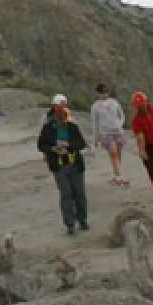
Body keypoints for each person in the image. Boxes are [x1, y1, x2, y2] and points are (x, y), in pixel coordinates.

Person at [37, 94, 90, 235]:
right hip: (59, 166)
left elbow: (81, 143)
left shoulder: (73, 126)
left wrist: (69, 145)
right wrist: (52, 149)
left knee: (79, 194)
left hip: (75, 165)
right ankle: (70, 224)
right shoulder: (48, 127)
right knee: (66, 193)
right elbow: (41, 144)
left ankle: (82, 219)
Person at [91, 83, 129, 186]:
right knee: (113, 154)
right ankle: (120, 177)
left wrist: (119, 125)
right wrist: (96, 138)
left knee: (118, 155)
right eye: (101, 92)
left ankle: (117, 175)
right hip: (105, 134)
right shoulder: (95, 106)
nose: (104, 94)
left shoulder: (114, 102)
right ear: (97, 93)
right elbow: (95, 123)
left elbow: (122, 115)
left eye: (105, 92)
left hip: (118, 132)